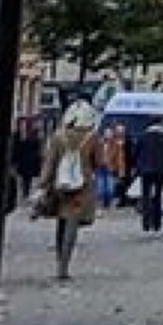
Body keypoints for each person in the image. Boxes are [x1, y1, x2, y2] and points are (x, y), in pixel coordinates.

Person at [37, 102, 99, 281]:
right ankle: (64, 265)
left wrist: (43, 183)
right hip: (81, 187)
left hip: (60, 185)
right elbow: (99, 162)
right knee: (72, 223)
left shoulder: (58, 137)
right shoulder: (91, 138)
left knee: (61, 222)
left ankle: (59, 261)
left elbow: (50, 163)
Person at [130, 118, 163, 232]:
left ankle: (146, 223)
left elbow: (135, 153)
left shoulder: (143, 137)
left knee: (146, 196)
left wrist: (137, 166)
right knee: (158, 196)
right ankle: (157, 223)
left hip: (145, 171)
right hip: (161, 171)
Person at [9, 111, 45, 207]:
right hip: (26, 161)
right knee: (24, 180)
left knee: (25, 180)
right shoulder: (30, 134)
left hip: (26, 161)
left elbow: (17, 148)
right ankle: (24, 196)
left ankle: (24, 196)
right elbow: (17, 147)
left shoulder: (28, 134)